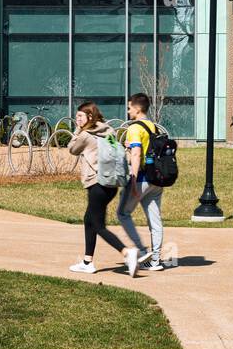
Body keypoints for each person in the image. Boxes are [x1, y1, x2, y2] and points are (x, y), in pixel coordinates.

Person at [66, 102, 135, 276]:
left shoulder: (85, 135)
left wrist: (77, 131)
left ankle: (127, 252)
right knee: (89, 219)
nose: (77, 120)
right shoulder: (108, 131)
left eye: (80, 116)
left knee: (98, 225)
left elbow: (72, 149)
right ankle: (87, 262)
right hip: (111, 184)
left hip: (96, 184)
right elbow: (116, 149)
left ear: (90, 117)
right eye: (76, 116)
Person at [117, 93, 165, 271]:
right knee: (155, 220)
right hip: (157, 180)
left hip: (142, 177)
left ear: (137, 109)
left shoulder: (134, 128)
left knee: (123, 213)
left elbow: (137, 154)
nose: (128, 110)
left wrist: (134, 179)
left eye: (129, 107)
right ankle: (155, 260)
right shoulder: (153, 126)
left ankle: (142, 250)